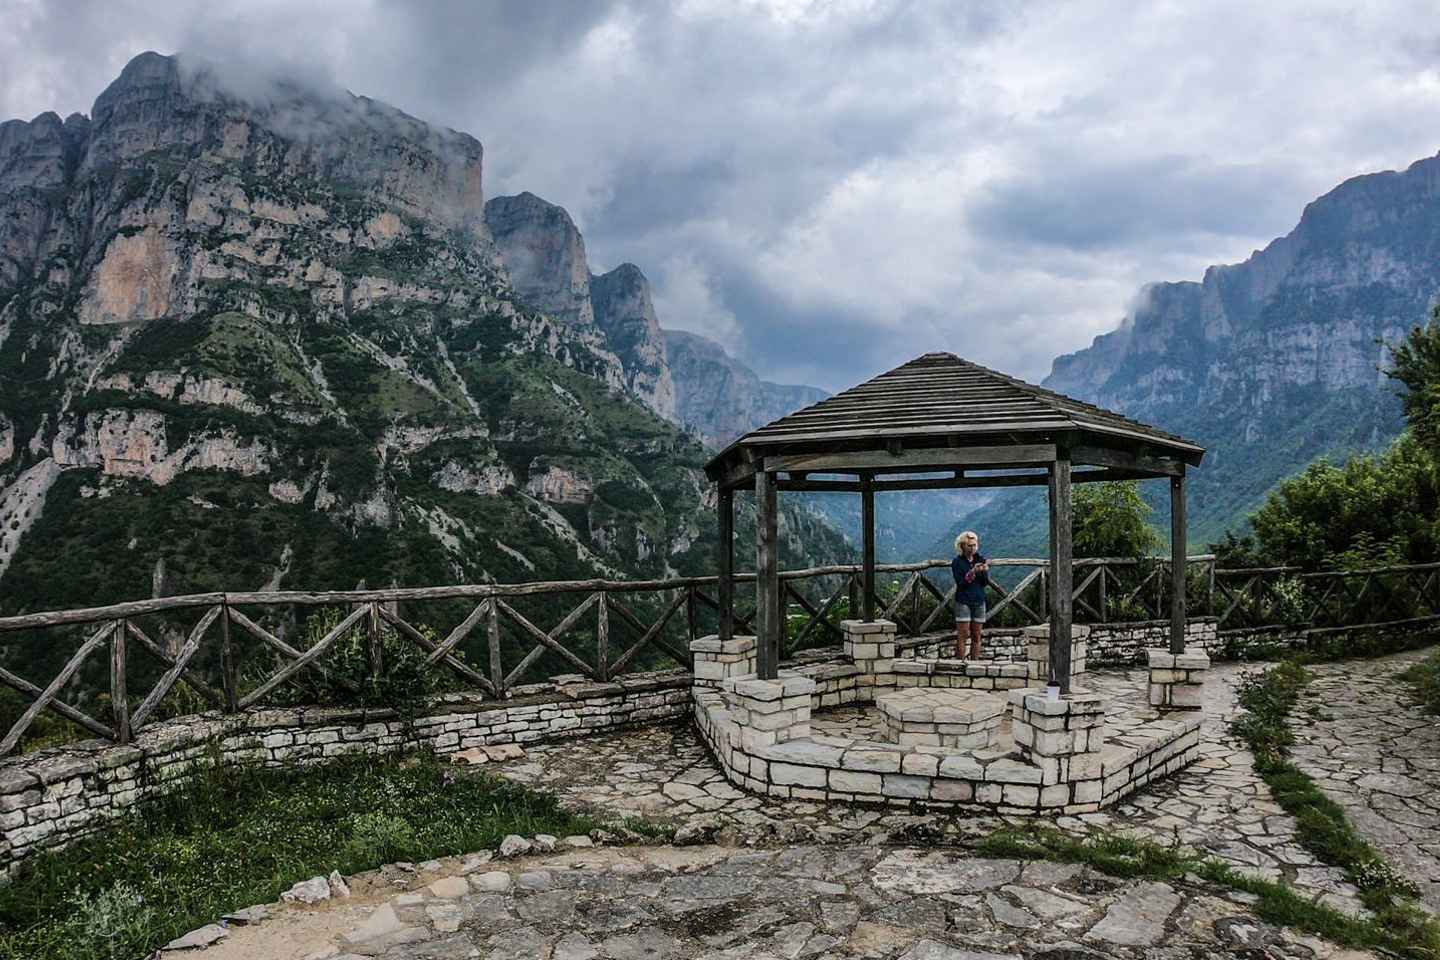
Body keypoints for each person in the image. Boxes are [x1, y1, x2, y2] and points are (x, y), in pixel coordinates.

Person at [951, 531, 990, 660]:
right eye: (969, 545)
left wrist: (984, 572)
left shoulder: (980, 559)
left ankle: (975, 664)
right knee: (963, 635)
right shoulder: (957, 562)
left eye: (974, 545)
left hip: (979, 600)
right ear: (962, 546)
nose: (972, 548)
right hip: (963, 601)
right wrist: (972, 572)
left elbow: (984, 583)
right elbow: (961, 584)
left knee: (977, 635)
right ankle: (960, 665)